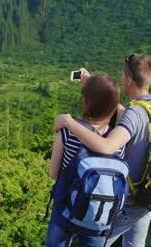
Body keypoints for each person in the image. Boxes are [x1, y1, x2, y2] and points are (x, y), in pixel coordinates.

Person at [53, 54, 151, 247]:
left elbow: (106, 146)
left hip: (126, 199)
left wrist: (68, 122)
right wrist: (93, 85)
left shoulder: (134, 113)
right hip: (149, 194)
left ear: (128, 80)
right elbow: (118, 111)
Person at [46, 73, 125, 247]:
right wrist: (105, 93)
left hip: (65, 212)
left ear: (85, 101)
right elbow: (123, 112)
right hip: (98, 218)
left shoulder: (67, 132)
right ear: (113, 106)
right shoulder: (118, 141)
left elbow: (53, 174)